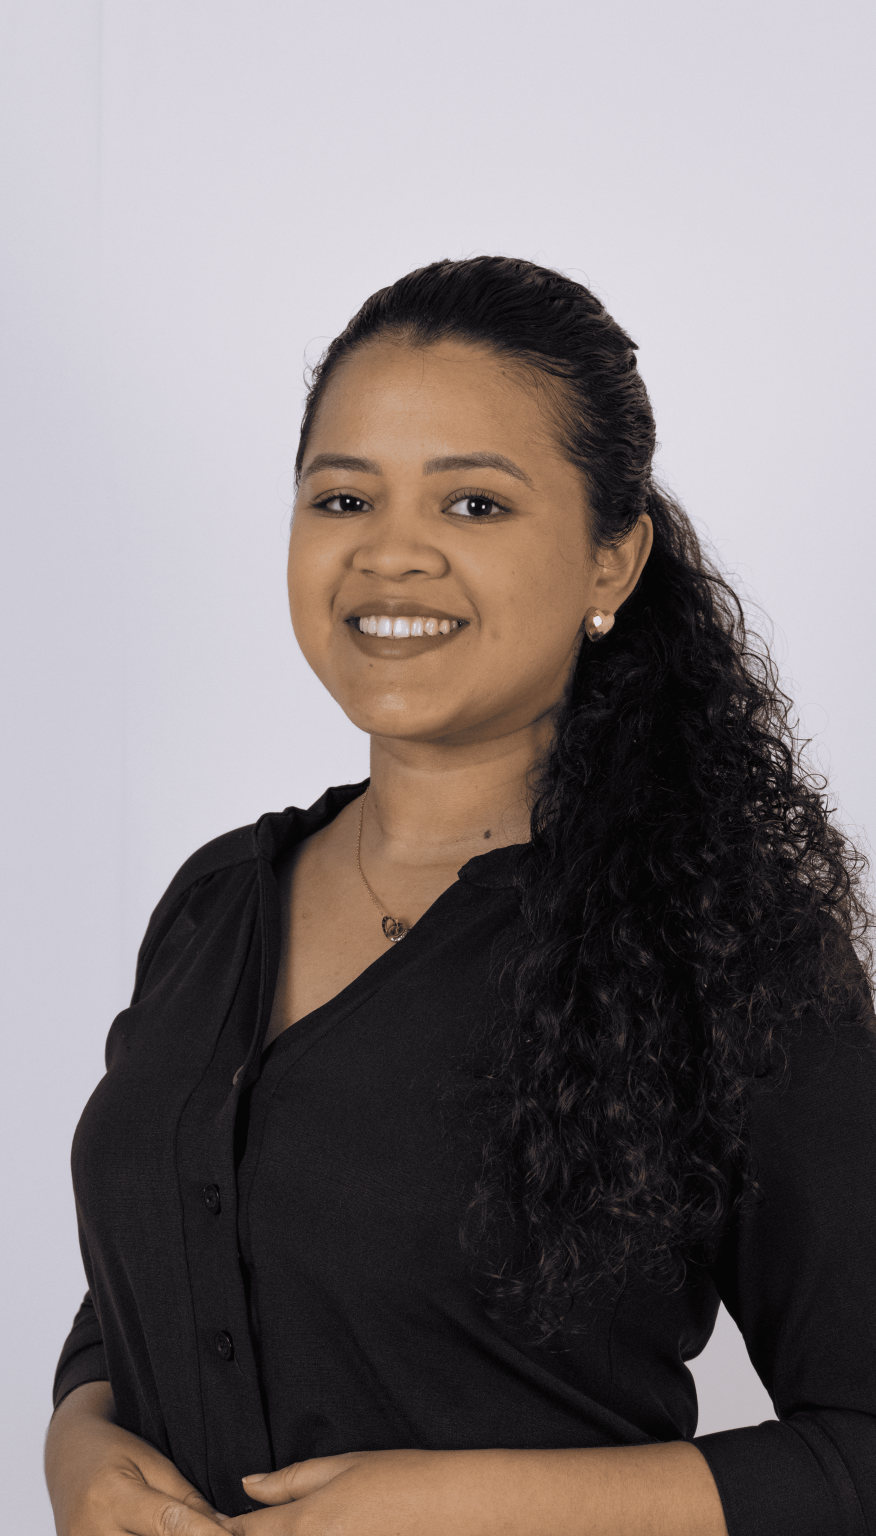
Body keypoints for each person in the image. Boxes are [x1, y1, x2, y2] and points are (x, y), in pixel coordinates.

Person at [45, 256, 876, 1536]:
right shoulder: (216, 903)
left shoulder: (726, 946)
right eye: (343, 498)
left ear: (612, 563)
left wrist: (472, 1502)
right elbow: (153, 1271)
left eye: (475, 503)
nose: (391, 554)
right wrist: (80, 1445)